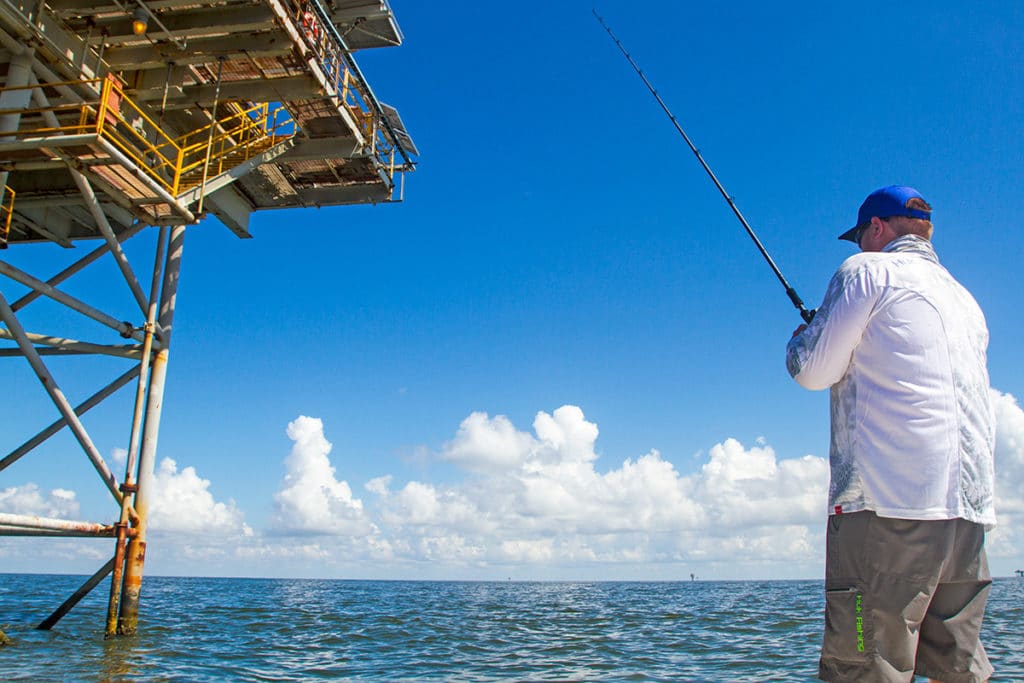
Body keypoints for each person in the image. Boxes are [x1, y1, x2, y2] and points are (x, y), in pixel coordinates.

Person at [786, 186, 996, 683]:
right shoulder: (965, 299)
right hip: (968, 518)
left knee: (864, 665)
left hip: (885, 509)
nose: (858, 246)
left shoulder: (866, 271)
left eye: (860, 236)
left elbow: (813, 370)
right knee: (958, 670)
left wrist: (802, 337)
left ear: (877, 228)